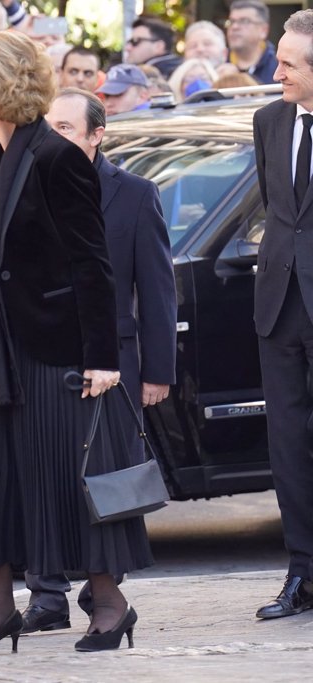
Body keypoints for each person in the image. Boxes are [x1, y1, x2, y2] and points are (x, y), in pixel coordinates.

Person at [0, 31, 152, 656]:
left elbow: (92, 264)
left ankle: (110, 604)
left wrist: (103, 356)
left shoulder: (55, 157)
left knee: (67, 481)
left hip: (54, 355)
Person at [22, 87, 176, 634]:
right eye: (50, 127)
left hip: (114, 360)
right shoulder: (28, 183)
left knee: (103, 478)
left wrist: (158, 369)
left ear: (96, 135)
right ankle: (46, 596)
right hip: (42, 357)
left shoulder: (134, 194)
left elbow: (157, 287)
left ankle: (104, 588)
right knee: (43, 473)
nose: (53, 137)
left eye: (66, 128)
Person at [251, 8, 313, 620]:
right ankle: (302, 574)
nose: (276, 74)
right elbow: (278, 211)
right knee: (288, 446)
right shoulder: (268, 120)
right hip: (279, 309)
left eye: (289, 64)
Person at [227, 0, 278, 85]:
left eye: (244, 21)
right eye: (232, 21)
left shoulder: (279, 69)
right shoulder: (218, 64)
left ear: (263, 30)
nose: (235, 27)